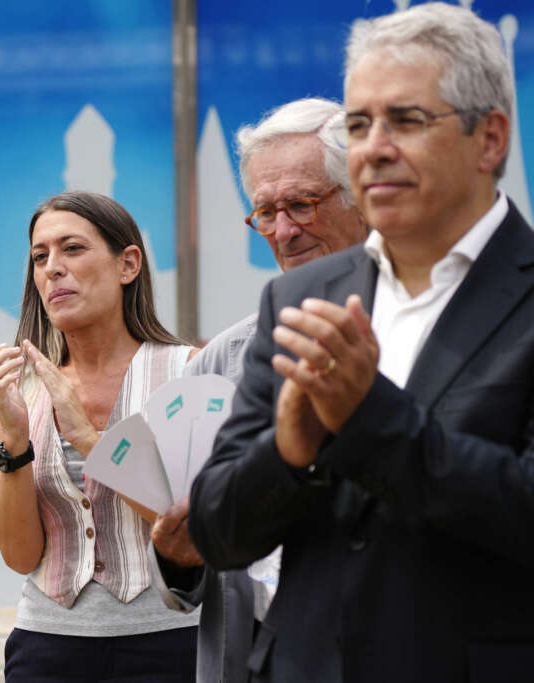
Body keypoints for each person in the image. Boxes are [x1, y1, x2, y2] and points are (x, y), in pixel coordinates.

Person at [188, 3, 534, 681]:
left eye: (406, 120)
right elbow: (218, 528)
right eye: (358, 123)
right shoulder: (296, 298)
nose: (373, 146)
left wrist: (371, 418)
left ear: (490, 140)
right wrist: (290, 449)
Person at [151, 97, 367, 683]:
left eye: (301, 204)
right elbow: (194, 581)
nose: (283, 230)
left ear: (363, 195)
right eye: (264, 212)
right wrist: (177, 558)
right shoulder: (223, 358)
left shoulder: (425, 330)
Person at [0, 191, 200, 682]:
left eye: (72, 249)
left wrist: (87, 436)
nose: (52, 268)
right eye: (40, 256)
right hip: (47, 648)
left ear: (128, 264)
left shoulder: (186, 371)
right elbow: (19, 555)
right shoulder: (22, 391)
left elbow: (193, 531)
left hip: (171, 641)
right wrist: (14, 442)